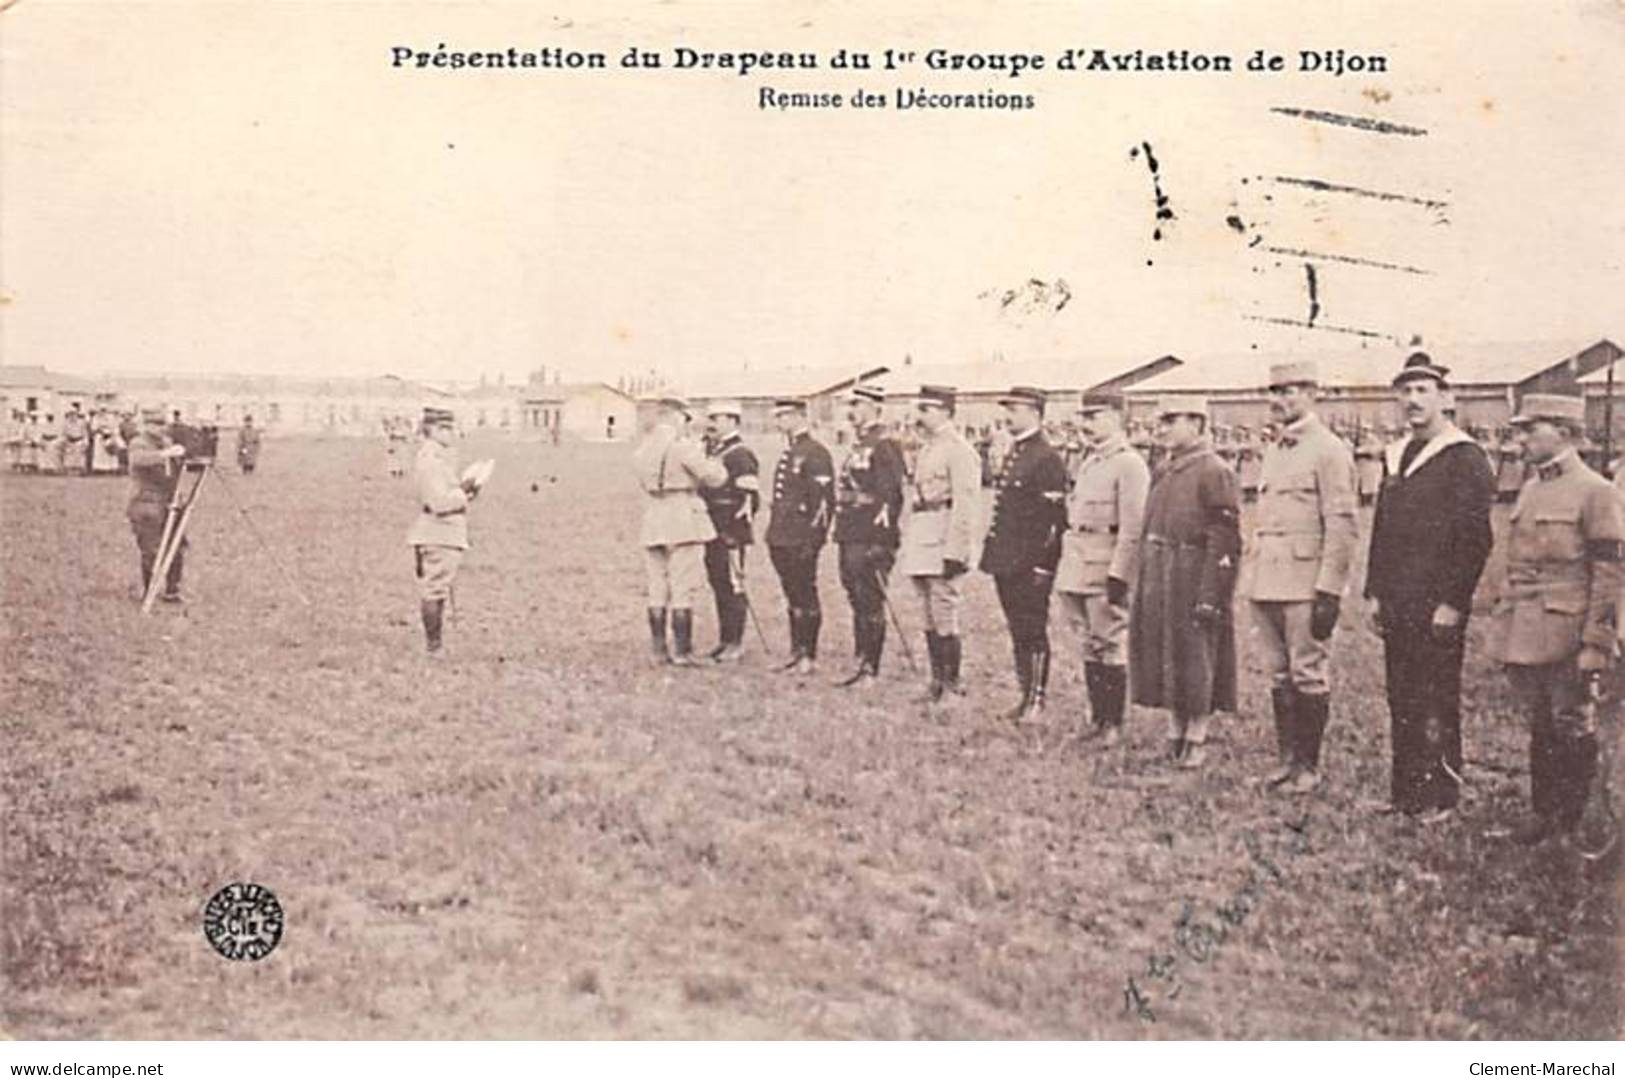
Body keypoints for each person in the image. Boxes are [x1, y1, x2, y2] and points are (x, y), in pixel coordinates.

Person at [1364, 352, 1495, 819]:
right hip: (1397, 598)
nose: (1413, 400)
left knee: (1436, 695)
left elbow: (1475, 538)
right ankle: (1405, 792)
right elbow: (1382, 528)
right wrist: (1375, 591)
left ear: (1446, 398)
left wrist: (1453, 601)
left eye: (1423, 391)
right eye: (1406, 391)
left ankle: (1441, 793)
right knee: (1401, 694)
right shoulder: (1396, 454)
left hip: (1437, 602)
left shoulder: (1465, 457)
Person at [1490, 392, 1624, 844]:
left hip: (1570, 630)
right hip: (1529, 627)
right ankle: (1544, 812)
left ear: (1564, 434)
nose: (1521, 437)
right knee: (1542, 720)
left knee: (1571, 721)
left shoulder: (1596, 492)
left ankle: (1569, 818)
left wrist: (1596, 643)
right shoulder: (1530, 487)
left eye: (1532, 429)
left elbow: (1609, 575)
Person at [1248, 361, 1359, 793]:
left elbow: (1343, 523)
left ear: (1313, 393)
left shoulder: (1329, 450)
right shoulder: (1276, 449)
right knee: (1279, 673)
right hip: (1266, 578)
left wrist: (1329, 589)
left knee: (1307, 672)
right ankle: (1287, 760)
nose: (1280, 400)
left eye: (1290, 391)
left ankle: (1308, 767)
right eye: (1274, 391)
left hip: (1304, 581)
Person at [1129, 396, 1242, 768]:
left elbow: (1225, 537)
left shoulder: (1214, 470)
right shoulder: (1164, 469)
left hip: (1194, 576)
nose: (1161, 428)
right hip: (1162, 574)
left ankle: (1197, 735)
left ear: (1196, 424)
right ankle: (1175, 732)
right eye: (1160, 421)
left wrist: (1212, 592)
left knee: (1196, 656)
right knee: (1167, 652)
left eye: (1170, 421)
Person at [1055, 391, 1149, 745]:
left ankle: (1112, 723)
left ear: (1116, 417)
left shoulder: (1129, 464)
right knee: (1088, 643)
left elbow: (1132, 526)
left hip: (1105, 561)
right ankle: (1097, 719)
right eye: (1085, 417)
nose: (1086, 424)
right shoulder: (1090, 461)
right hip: (1079, 558)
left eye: (1094, 417)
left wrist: (1120, 573)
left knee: (1108, 641)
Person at [980, 386, 1069, 720]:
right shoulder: (1017, 452)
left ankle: (1036, 700)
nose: (1008, 415)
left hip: (1031, 563)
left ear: (1034, 413)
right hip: (1008, 559)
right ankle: (1024, 695)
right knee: (1017, 629)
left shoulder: (1046, 458)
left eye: (1014, 409)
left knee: (1032, 629)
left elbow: (1053, 522)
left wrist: (1044, 566)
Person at [897, 384, 981, 703]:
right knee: (927, 611)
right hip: (923, 533)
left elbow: (966, 504)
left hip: (943, 535)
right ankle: (936, 681)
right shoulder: (929, 447)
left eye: (926, 410)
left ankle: (952, 683)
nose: (920, 416)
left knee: (944, 610)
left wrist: (956, 551)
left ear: (945, 411)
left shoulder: (959, 449)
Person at [634, 396, 727, 666]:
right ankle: (683, 651)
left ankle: (659, 649)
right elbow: (716, 477)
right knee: (682, 585)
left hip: (654, 514)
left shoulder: (642, 450)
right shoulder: (682, 447)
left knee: (657, 586)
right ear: (675, 416)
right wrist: (713, 462)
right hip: (683, 515)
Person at [832, 383, 907, 687]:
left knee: (870, 598)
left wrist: (881, 539)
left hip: (870, 532)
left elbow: (891, 495)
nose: (853, 411)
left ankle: (871, 668)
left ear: (876, 408)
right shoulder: (859, 444)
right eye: (851, 405)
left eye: (859, 405)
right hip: (850, 528)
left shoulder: (884, 444)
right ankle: (861, 657)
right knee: (854, 594)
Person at [766, 398, 835, 675]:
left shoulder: (815, 452)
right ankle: (796, 651)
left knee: (805, 592)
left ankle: (808, 654)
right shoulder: (791, 451)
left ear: (797, 416)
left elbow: (822, 501)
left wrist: (815, 539)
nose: (778, 421)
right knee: (792, 594)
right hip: (782, 536)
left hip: (801, 537)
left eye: (783, 416)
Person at [406, 407, 482, 655]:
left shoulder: (438, 458)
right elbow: (438, 502)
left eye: (450, 427)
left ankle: (435, 647)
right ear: (431, 430)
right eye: (444, 428)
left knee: (437, 589)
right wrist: (465, 492)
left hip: (441, 532)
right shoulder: (430, 461)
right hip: (439, 532)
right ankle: (434, 648)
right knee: (435, 589)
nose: (450, 433)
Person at [698, 400, 761, 664]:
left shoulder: (740, 454)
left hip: (730, 529)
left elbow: (749, 499)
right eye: (712, 418)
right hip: (712, 526)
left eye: (720, 418)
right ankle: (725, 639)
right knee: (719, 583)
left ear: (733, 421)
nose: (714, 423)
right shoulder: (713, 450)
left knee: (733, 585)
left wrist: (734, 530)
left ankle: (735, 642)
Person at [126, 406, 189, 602]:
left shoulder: (166, 442)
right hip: (145, 501)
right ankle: (150, 590)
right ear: (145, 425)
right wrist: (166, 454)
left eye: (162, 424)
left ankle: (172, 590)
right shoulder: (139, 443)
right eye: (154, 424)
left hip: (169, 500)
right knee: (151, 548)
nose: (159, 429)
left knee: (176, 544)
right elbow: (139, 460)